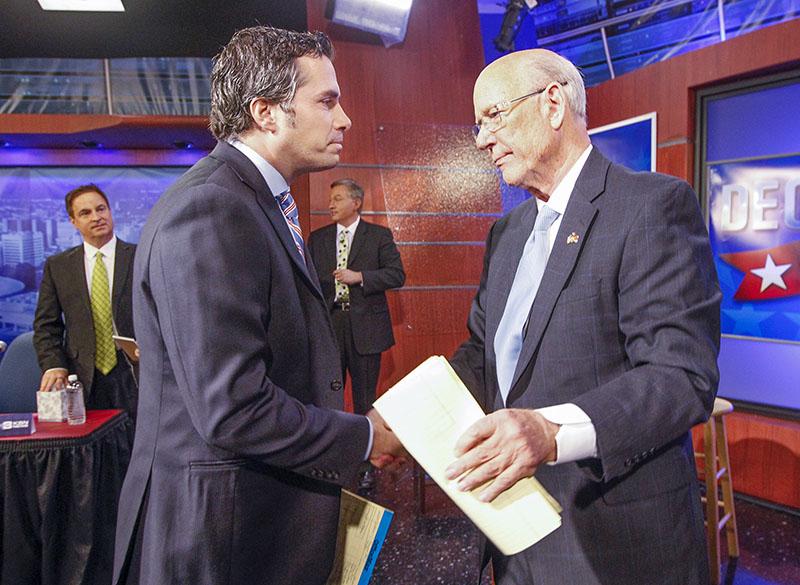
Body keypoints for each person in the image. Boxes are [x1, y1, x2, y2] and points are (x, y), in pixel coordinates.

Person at [111, 26, 404, 585]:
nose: (343, 119)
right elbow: (233, 408)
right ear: (266, 112)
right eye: (327, 101)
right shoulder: (213, 209)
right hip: (225, 540)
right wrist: (360, 437)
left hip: (255, 526)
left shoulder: (248, 201)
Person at [445, 49, 721, 584]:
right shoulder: (506, 233)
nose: (481, 140)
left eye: (493, 116)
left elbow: (680, 376)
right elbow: (483, 353)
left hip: (615, 539)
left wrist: (551, 431)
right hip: (516, 532)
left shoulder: (652, 206)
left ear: (553, 103)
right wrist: (397, 420)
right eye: (477, 124)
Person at [308, 178, 405, 490]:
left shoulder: (378, 236)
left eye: (337, 198)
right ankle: (331, 463)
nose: (331, 204)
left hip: (366, 329)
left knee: (365, 399)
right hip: (330, 327)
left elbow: (396, 274)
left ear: (356, 202)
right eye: (330, 198)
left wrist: (360, 277)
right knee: (328, 398)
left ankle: (366, 467)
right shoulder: (318, 238)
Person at [33, 184, 138, 417]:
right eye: (85, 213)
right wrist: (53, 364)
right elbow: (46, 326)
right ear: (73, 222)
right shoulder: (58, 266)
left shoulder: (141, 258)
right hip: (82, 378)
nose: (96, 217)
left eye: (101, 209)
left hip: (135, 374)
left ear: (110, 212)